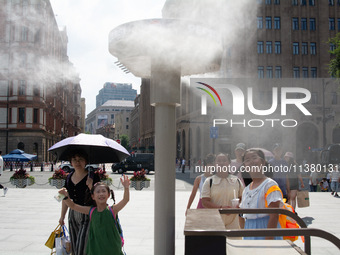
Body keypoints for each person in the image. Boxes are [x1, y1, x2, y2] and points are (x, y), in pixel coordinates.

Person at [59, 176, 130, 255]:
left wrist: (126, 188)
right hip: (95, 249)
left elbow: (125, 200)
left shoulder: (112, 210)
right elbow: (73, 206)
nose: (101, 194)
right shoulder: (91, 211)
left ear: (108, 195)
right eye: (98, 192)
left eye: (103, 191)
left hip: (112, 249)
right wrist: (65, 197)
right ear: (93, 196)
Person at [59, 149, 100, 255]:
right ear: (71, 162)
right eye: (74, 159)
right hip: (72, 215)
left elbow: (101, 197)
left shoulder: (93, 177)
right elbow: (65, 199)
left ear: (86, 161)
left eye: (80, 159)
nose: (77, 162)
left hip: (87, 214)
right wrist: (62, 216)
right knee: (74, 244)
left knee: (82, 247)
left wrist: (92, 187)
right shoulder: (68, 177)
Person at [240, 149, 283, 240]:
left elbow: (274, 216)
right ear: (245, 166)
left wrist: (267, 242)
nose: (251, 162)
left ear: (263, 162)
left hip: (265, 231)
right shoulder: (246, 189)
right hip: (249, 232)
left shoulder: (270, 185)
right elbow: (243, 216)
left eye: (254, 158)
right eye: (247, 160)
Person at [201, 153, 244, 230]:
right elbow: (204, 202)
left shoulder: (237, 180)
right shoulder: (209, 181)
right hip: (215, 224)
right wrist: (221, 208)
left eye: (224, 160)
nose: (221, 163)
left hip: (233, 225)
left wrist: (238, 204)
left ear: (229, 163)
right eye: (219, 160)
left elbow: (242, 197)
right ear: (214, 163)